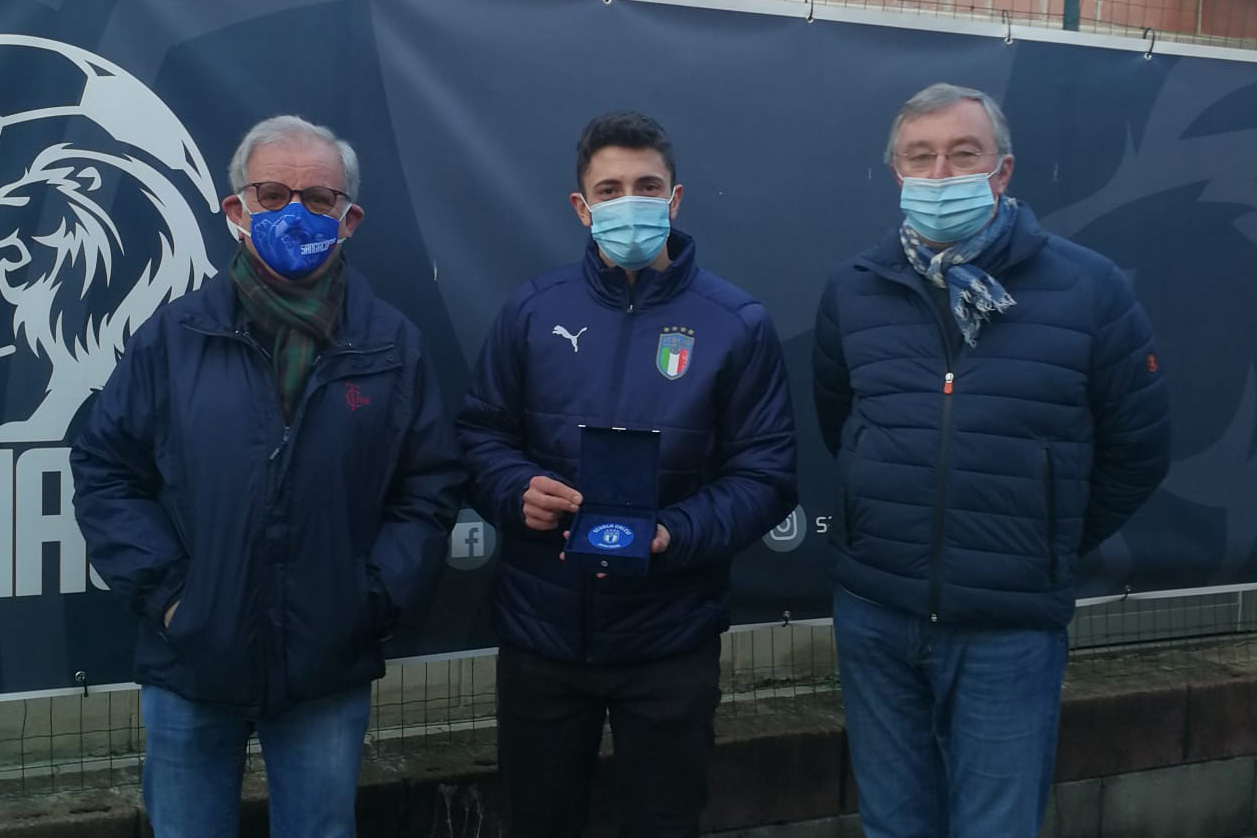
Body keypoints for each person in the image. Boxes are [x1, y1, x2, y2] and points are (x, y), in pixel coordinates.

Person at [70, 115, 464, 838]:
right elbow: (105, 468)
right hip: (191, 661)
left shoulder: (392, 345)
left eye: (318, 198)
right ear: (236, 209)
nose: (294, 212)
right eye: (272, 194)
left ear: (348, 219)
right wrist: (170, 598)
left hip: (325, 668)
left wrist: (370, 600)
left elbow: (429, 485)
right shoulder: (173, 338)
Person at [812, 83, 1170, 838]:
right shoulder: (854, 289)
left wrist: (1039, 540)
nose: (940, 174)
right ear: (896, 173)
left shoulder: (1089, 288)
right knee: (893, 825)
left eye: (962, 154)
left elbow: (1138, 450)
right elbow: (840, 422)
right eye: (920, 157)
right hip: (876, 613)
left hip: (1009, 628)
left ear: (1001, 170)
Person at [457, 111, 797, 837]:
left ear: (675, 199)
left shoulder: (737, 323)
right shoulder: (532, 309)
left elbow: (766, 474)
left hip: (670, 639)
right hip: (543, 636)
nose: (629, 202)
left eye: (647, 186)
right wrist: (515, 491)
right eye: (609, 189)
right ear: (582, 208)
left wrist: (675, 531)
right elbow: (481, 435)